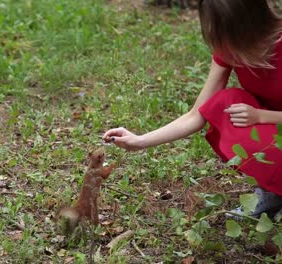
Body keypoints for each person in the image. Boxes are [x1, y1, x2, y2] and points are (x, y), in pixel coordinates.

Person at [103, 0, 282, 217]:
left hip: (272, 121)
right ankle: (273, 191)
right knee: (227, 102)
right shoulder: (231, 47)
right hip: (274, 132)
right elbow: (196, 115)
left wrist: (261, 116)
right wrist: (140, 141)